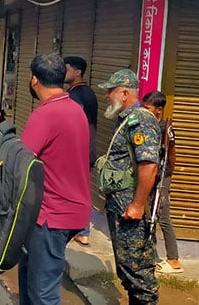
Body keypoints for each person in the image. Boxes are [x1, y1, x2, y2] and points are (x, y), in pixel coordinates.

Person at [19, 53, 91, 305]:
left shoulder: (45, 115)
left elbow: (23, 164)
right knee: (30, 276)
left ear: (35, 80)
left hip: (52, 214)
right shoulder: (74, 108)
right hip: (71, 210)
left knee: (42, 292)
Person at [98, 69, 161, 304]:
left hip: (131, 211)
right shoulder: (125, 120)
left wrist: (137, 204)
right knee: (126, 268)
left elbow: (149, 165)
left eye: (110, 92)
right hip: (120, 207)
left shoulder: (141, 120)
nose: (106, 97)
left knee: (138, 272)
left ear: (125, 93)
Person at [142, 91, 183, 274]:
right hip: (152, 176)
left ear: (158, 110)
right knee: (150, 215)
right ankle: (150, 255)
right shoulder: (148, 126)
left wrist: (167, 176)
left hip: (161, 177)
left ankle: (173, 260)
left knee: (163, 217)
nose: (145, 111)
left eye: (147, 108)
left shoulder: (164, 129)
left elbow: (172, 154)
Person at [64, 55, 99, 246]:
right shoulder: (88, 92)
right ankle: (81, 230)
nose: (64, 72)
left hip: (77, 152)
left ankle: (82, 230)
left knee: (77, 191)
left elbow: (72, 123)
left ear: (77, 72)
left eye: (67, 68)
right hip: (86, 151)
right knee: (82, 189)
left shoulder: (76, 95)